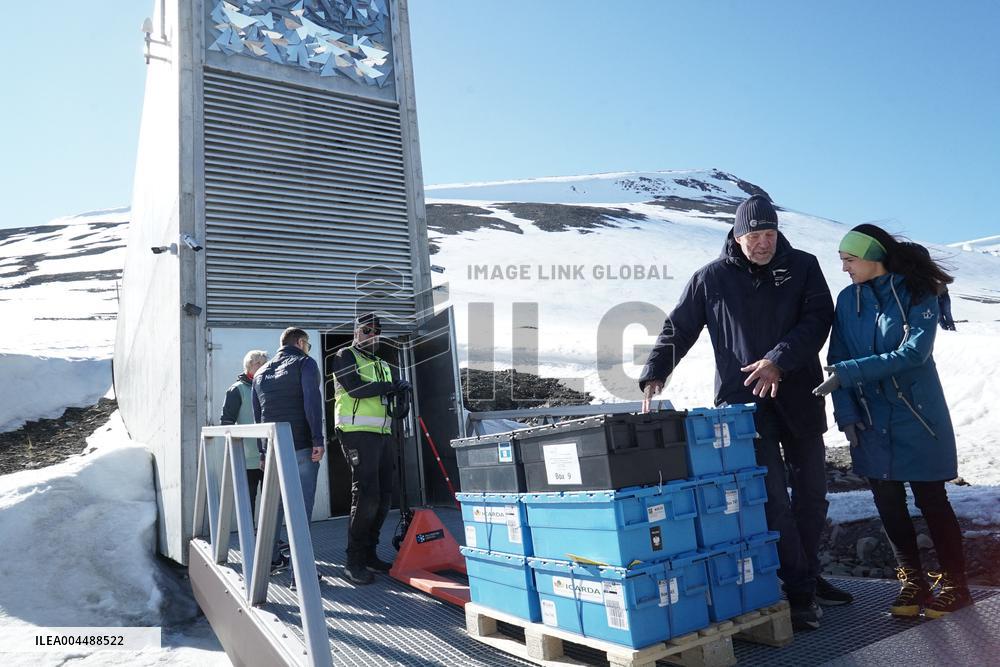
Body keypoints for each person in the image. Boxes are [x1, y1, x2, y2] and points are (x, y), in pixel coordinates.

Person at [639, 194, 852, 631]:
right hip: (744, 406)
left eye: (769, 234)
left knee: (812, 493)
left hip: (799, 395)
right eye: (754, 235)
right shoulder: (710, 278)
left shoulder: (803, 267)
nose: (763, 243)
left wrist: (780, 359)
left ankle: (807, 575)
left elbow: (818, 320)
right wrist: (655, 373)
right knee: (772, 498)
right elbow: (678, 327)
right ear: (737, 236)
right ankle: (797, 590)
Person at [814, 224, 971, 618]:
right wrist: (846, 415)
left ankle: (956, 585)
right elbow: (838, 359)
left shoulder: (918, 293)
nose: (845, 269)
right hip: (870, 420)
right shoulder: (848, 301)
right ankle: (912, 583)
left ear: (873, 258)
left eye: (850, 260)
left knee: (932, 500)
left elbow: (914, 353)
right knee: (888, 501)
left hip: (917, 416)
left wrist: (848, 374)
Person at [331, 312, 410, 585]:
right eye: (366, 329)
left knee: (385, 496)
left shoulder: (381, 363)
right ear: (356, 331)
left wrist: (399, 391)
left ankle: (370, 555)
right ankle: (353, 562)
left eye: (375, 330)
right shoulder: (344, 356)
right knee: (366, 496)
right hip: (355, 433)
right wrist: (391, 385)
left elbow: (385, 397)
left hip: (382, 433)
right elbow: (355, 389)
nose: (371, 334)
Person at [252, 328, 325, 579]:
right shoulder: (305, 363)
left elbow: (257, 416)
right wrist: (318, 439)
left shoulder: (260, 372)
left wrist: (262, 451)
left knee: (274, 508)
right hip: (301, 446)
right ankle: (301, 574)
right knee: (301, 511)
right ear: (301, 342)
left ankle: (269, 562)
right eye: (308, 345)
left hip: (273, 449)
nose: (308, 349)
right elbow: (312, 403)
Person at [220, 349, 269, 517]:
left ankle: (270, 538)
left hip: (269, 456)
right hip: (248, 460)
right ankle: (250, 540)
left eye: (265, 363)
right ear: (249, 367)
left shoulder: (269, 387)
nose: (263, 366)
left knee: (270, 501)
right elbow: (226, 423)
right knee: (248, 501)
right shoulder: (237, 390)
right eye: (258, 364)